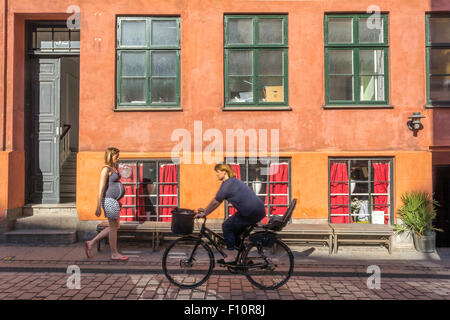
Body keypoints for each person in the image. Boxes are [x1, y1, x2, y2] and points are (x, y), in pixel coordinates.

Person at [195, 163, 266, 264]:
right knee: (235, 232)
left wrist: (204, 214)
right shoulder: (231, 182)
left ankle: (231, 257)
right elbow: (217, 198)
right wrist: (205, 210)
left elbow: (216, 201)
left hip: (251, 212)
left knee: (227, 226)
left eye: (217, 172)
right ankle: (244, 257)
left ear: (224, 172)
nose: (216, 174)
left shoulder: (228, 184)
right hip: (255, 210)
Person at [84, 147, 129, 261]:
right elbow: (101, 189)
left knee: (115, 226)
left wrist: (118, 200)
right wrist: (98, 206)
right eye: (116, 156)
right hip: (108, 201)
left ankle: (91, 242)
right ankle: (114, 254)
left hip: (113, 201)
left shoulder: (113, 168)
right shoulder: (105, 169)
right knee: (114, 228)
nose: (118, 158)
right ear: (110, 156)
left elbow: (113, 186)